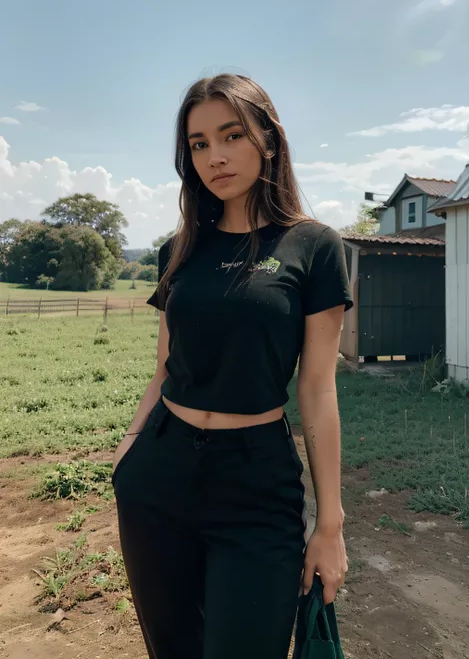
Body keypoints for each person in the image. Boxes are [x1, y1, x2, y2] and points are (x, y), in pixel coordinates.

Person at [112, 73, 353, 659]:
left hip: (255, 482)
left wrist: (330, 525)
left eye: (231, 135)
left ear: (268, 139)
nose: (214, 157)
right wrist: (128, 451)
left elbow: (318, 389)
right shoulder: (180, 250)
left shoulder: (315, 247)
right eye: (198, 144)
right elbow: (165, 367)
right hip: (159, 473)